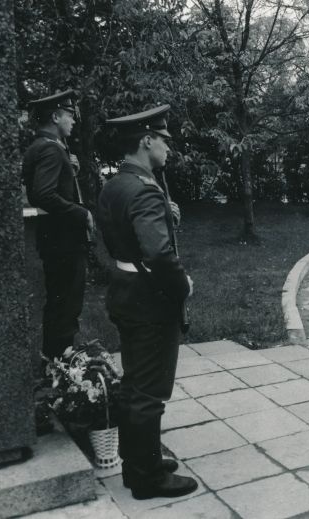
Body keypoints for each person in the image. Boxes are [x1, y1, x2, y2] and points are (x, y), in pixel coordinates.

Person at [97, 105, 197, 499]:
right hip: (150, 299)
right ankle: (147, 477)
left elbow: (119, 238)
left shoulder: (115, 185)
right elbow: (156, 254)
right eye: (164, 140)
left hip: (126, 290)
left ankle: (137, 460)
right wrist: (182, 286)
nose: (169, 148)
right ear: (146, 141)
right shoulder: (144, 189)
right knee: (149, 390)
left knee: (136, 382)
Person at [22, 89, 93, 362]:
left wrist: (68, 170)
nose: (74, 120)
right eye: (69, 114)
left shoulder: (44, 146)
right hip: (63, 240)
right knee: (66, 304)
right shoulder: (51, 149)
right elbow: (42, 194)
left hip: (55, 240)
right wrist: (81, 213)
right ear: (55, 116)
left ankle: (55, 361)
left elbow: (47, 188)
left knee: (59, 301)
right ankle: (62, 366)